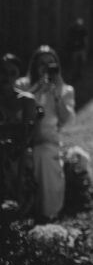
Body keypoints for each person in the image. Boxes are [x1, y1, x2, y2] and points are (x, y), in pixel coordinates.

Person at [15, 46, 76, 220]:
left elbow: (69, 122)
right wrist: (35, 89)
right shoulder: (22, 84)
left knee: (43, 154)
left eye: (50, 63)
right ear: (34, 65)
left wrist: (56, 94)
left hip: (49, 142)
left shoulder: (66, 90)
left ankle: (47, 212)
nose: (45, 67)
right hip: (23, 139)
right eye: (41, 63)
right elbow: (16, 109)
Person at [0, 53, 38, 210]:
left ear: (18, 75)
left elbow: (28, 135)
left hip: (17, 151)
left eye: (12, 73)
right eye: (2, 72)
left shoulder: (26, 100)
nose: (7, 77)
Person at [65, 17, 88, 81]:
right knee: (74, 63)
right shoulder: (72, 30)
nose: (79, 27)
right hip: (74, 49)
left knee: (82, 62)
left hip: (81, 48)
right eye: (78, 25)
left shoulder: (83, 30)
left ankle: (79, 74)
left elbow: (85, 39)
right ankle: (74, 75)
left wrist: (85, 48)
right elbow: (69, 39)